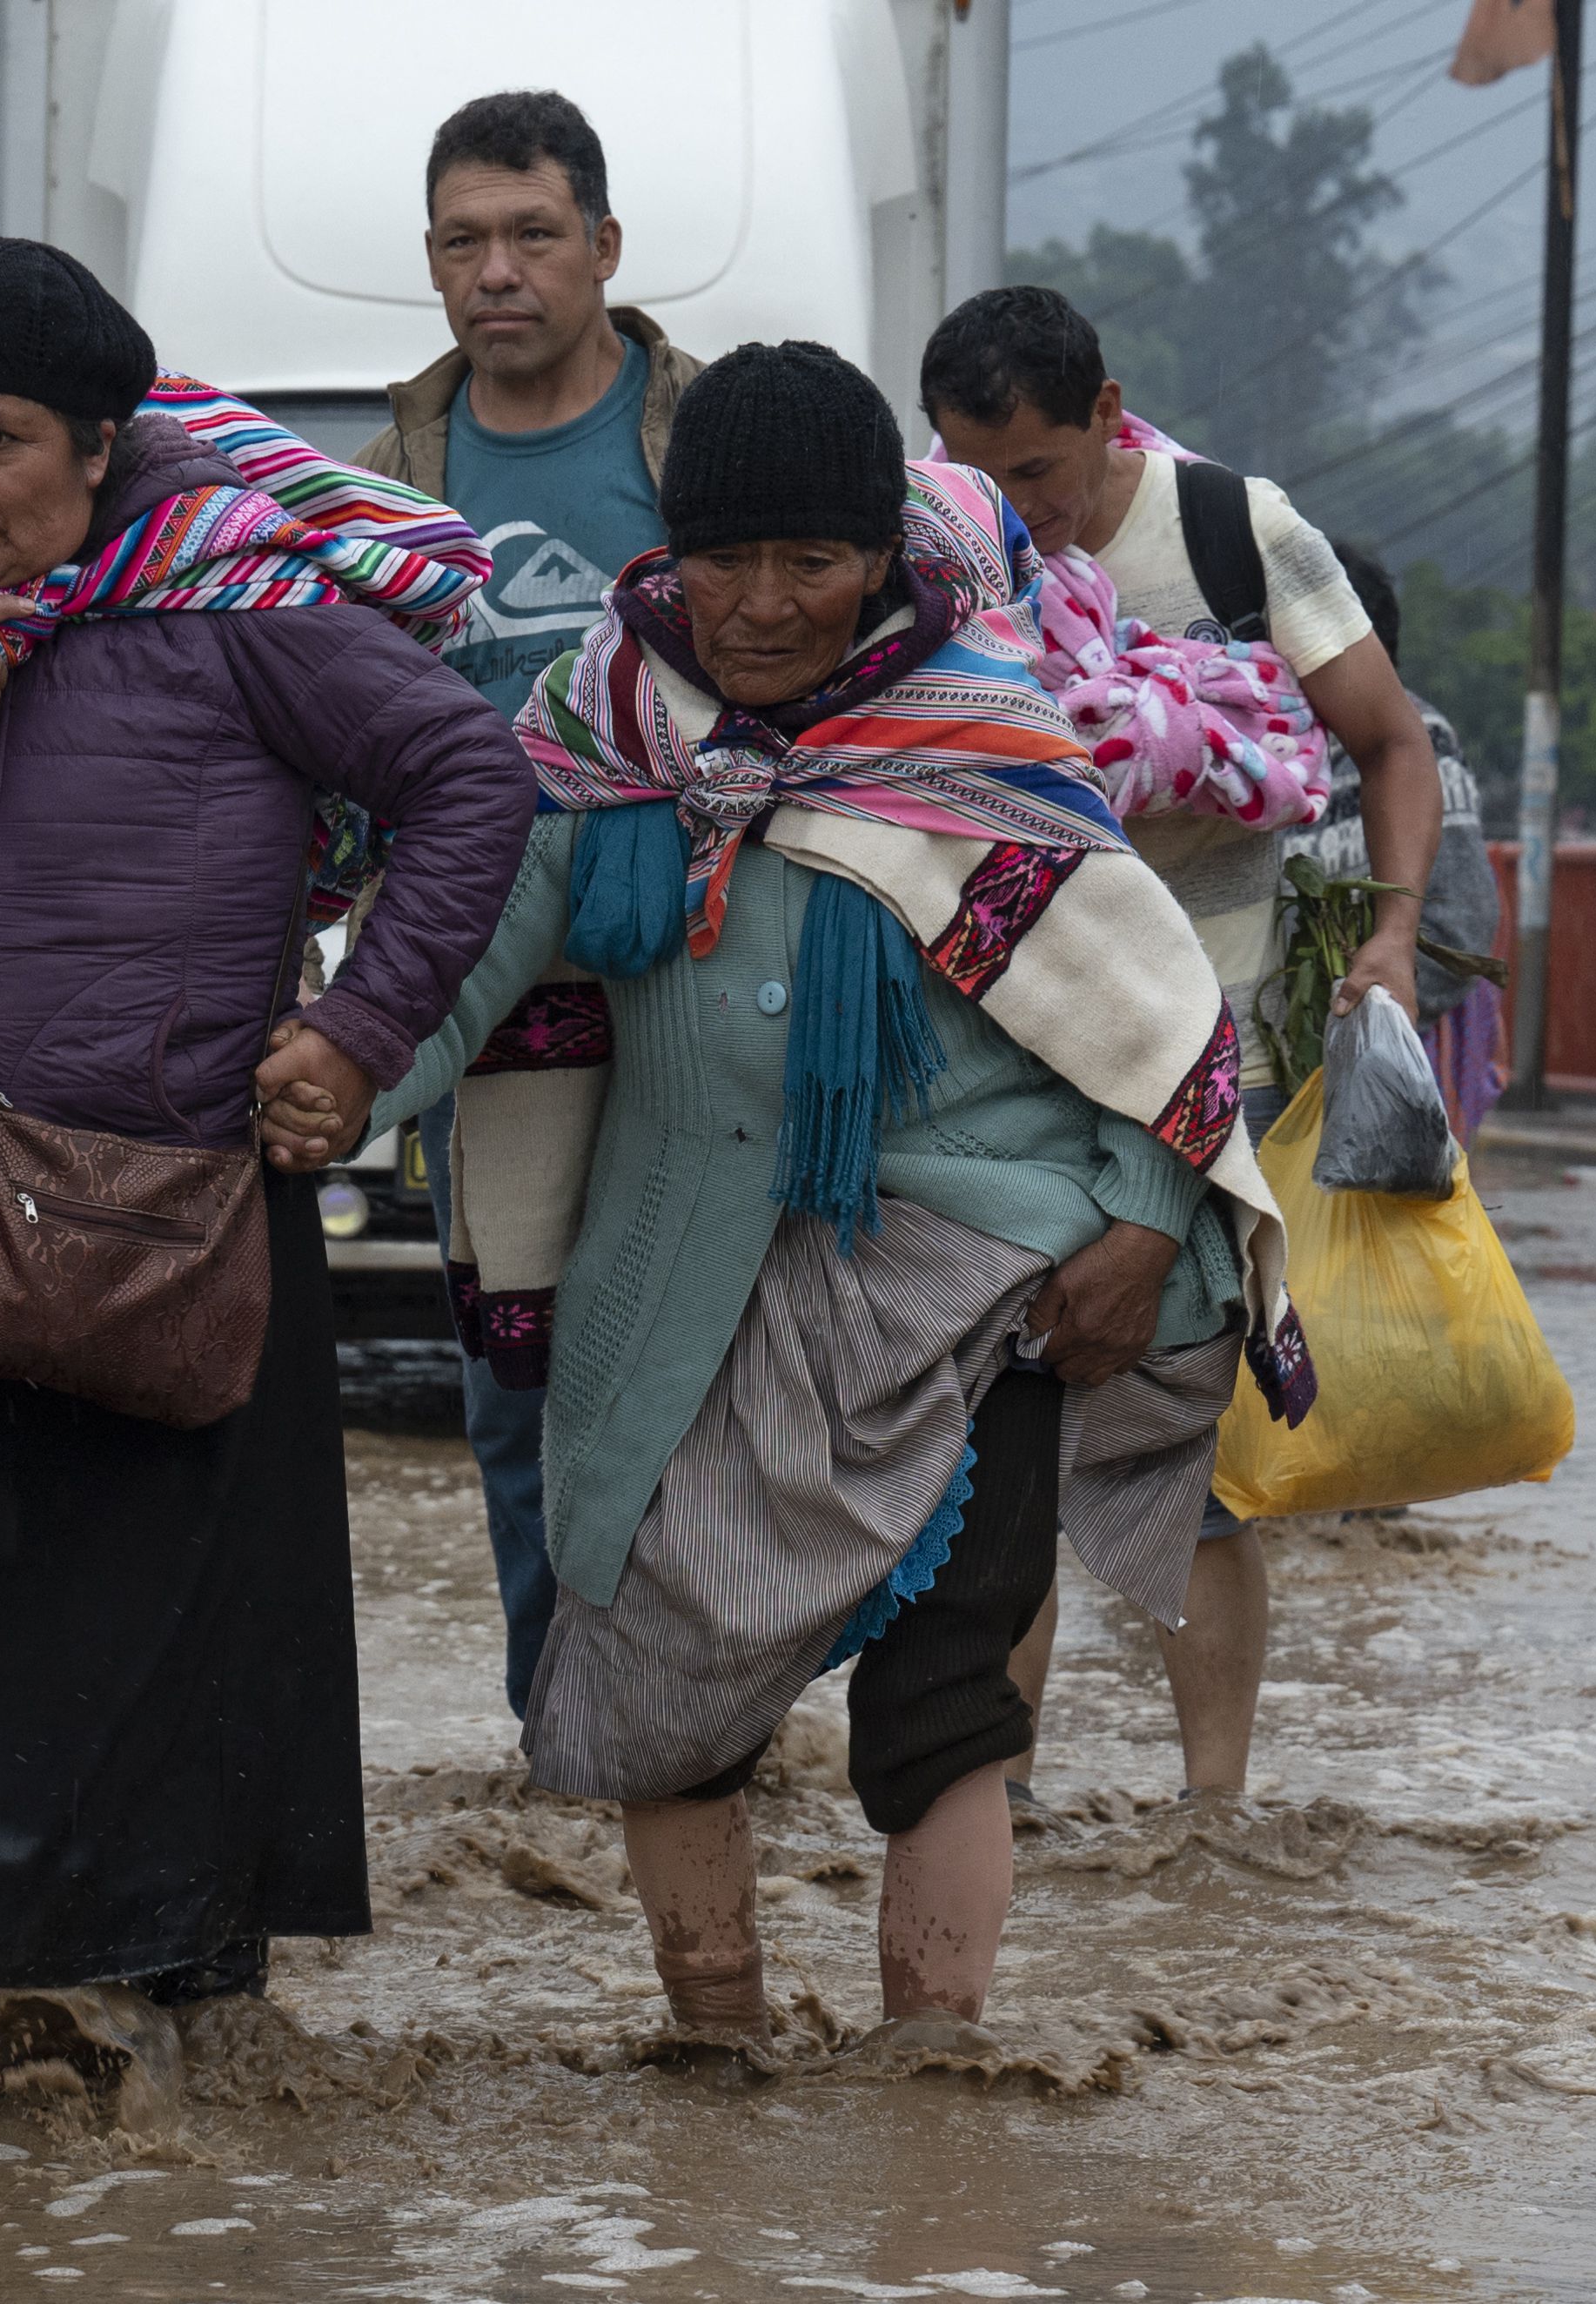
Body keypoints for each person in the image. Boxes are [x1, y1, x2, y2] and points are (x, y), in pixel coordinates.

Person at [320, 342, 1299, 2049]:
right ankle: (711, 2040)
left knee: (942, 1701)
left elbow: (1149, 1019)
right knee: (651, 1663)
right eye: (719, 561)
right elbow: (469, 950)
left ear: (876, 556)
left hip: (982, 1273)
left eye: (809, 563)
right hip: (677, 1271)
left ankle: (935, 2078)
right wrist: (325, 1072)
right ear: (667, 553)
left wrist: (1141, 1223)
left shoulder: (976, 743)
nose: (758, 604)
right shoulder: (601, 718)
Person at [0, 238, 530, 1996]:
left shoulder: (231, 602)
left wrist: (359, 1034)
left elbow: (469, 778)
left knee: (158, 1813)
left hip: (158, 1254)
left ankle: (154, 2187)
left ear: (100, 444)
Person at [925, 285, 1438, 1799]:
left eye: (1037, 472)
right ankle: (995, 1800)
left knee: (1191, 1449)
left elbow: (1390, 739)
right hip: (1008, 1037)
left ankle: (1212, 1815)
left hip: (1212, 1034)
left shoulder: (1229, 526)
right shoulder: (941, 550)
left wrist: (1397, 931)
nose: (1014, 510)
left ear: (1105, 412)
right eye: (972, 473)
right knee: (993, 1446)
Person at [349, 89, 701, 1719]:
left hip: (700, 970)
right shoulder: (385, 474)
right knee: (517, 1383)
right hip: (486, 996)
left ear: (604, 249)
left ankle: (708, 1722)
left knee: (715, 1363)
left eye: (532, 235)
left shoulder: (700, 440)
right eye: (462, 241)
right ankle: (558, 1723)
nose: (497, 271)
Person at [1282, 541, 1505, 1142]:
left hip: (1399, 1036)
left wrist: (1360, 1022)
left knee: (1407, 1217)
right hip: (1294, 1056)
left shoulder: (1416, 738)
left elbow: (1462, 922)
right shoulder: (1270, 742)